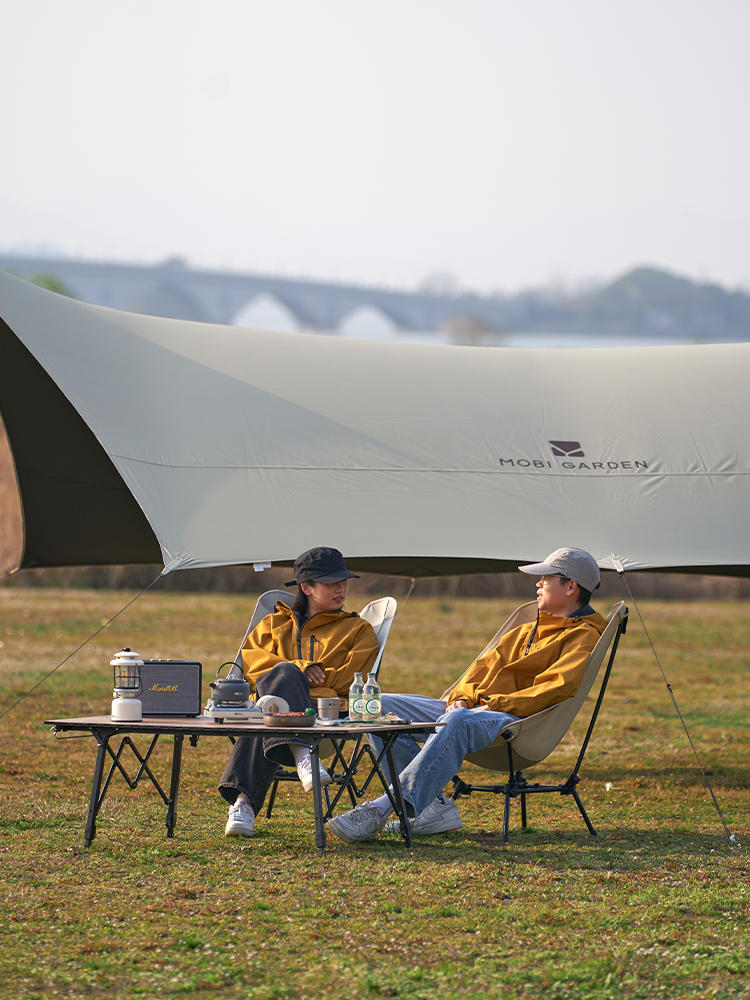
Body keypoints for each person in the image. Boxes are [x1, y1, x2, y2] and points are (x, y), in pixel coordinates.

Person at [326, 547, 607, 844]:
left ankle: (382, 808)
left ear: (571, 586)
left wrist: (487, 704)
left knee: (459, 718)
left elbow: (555, 687)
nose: (537, 584)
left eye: (545, 578)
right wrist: (463, 696)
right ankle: (434, 807)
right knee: (380, 705)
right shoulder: (526, 630)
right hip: (473, 711)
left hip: (516, 721)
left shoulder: (583, 636)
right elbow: (477, 671)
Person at [219, 546, 378, 837]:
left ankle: (243, 803)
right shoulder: (272, 624)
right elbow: (252, 667)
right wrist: (300, 668)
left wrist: (299, 680)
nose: (341, 589)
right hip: (273, 710)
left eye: (344, 582)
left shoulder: (358, 630)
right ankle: (303, 754)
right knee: (281, 681)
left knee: (274, 700)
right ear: (306, 587)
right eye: (331, 582)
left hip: (325, 715)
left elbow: (350, 680)